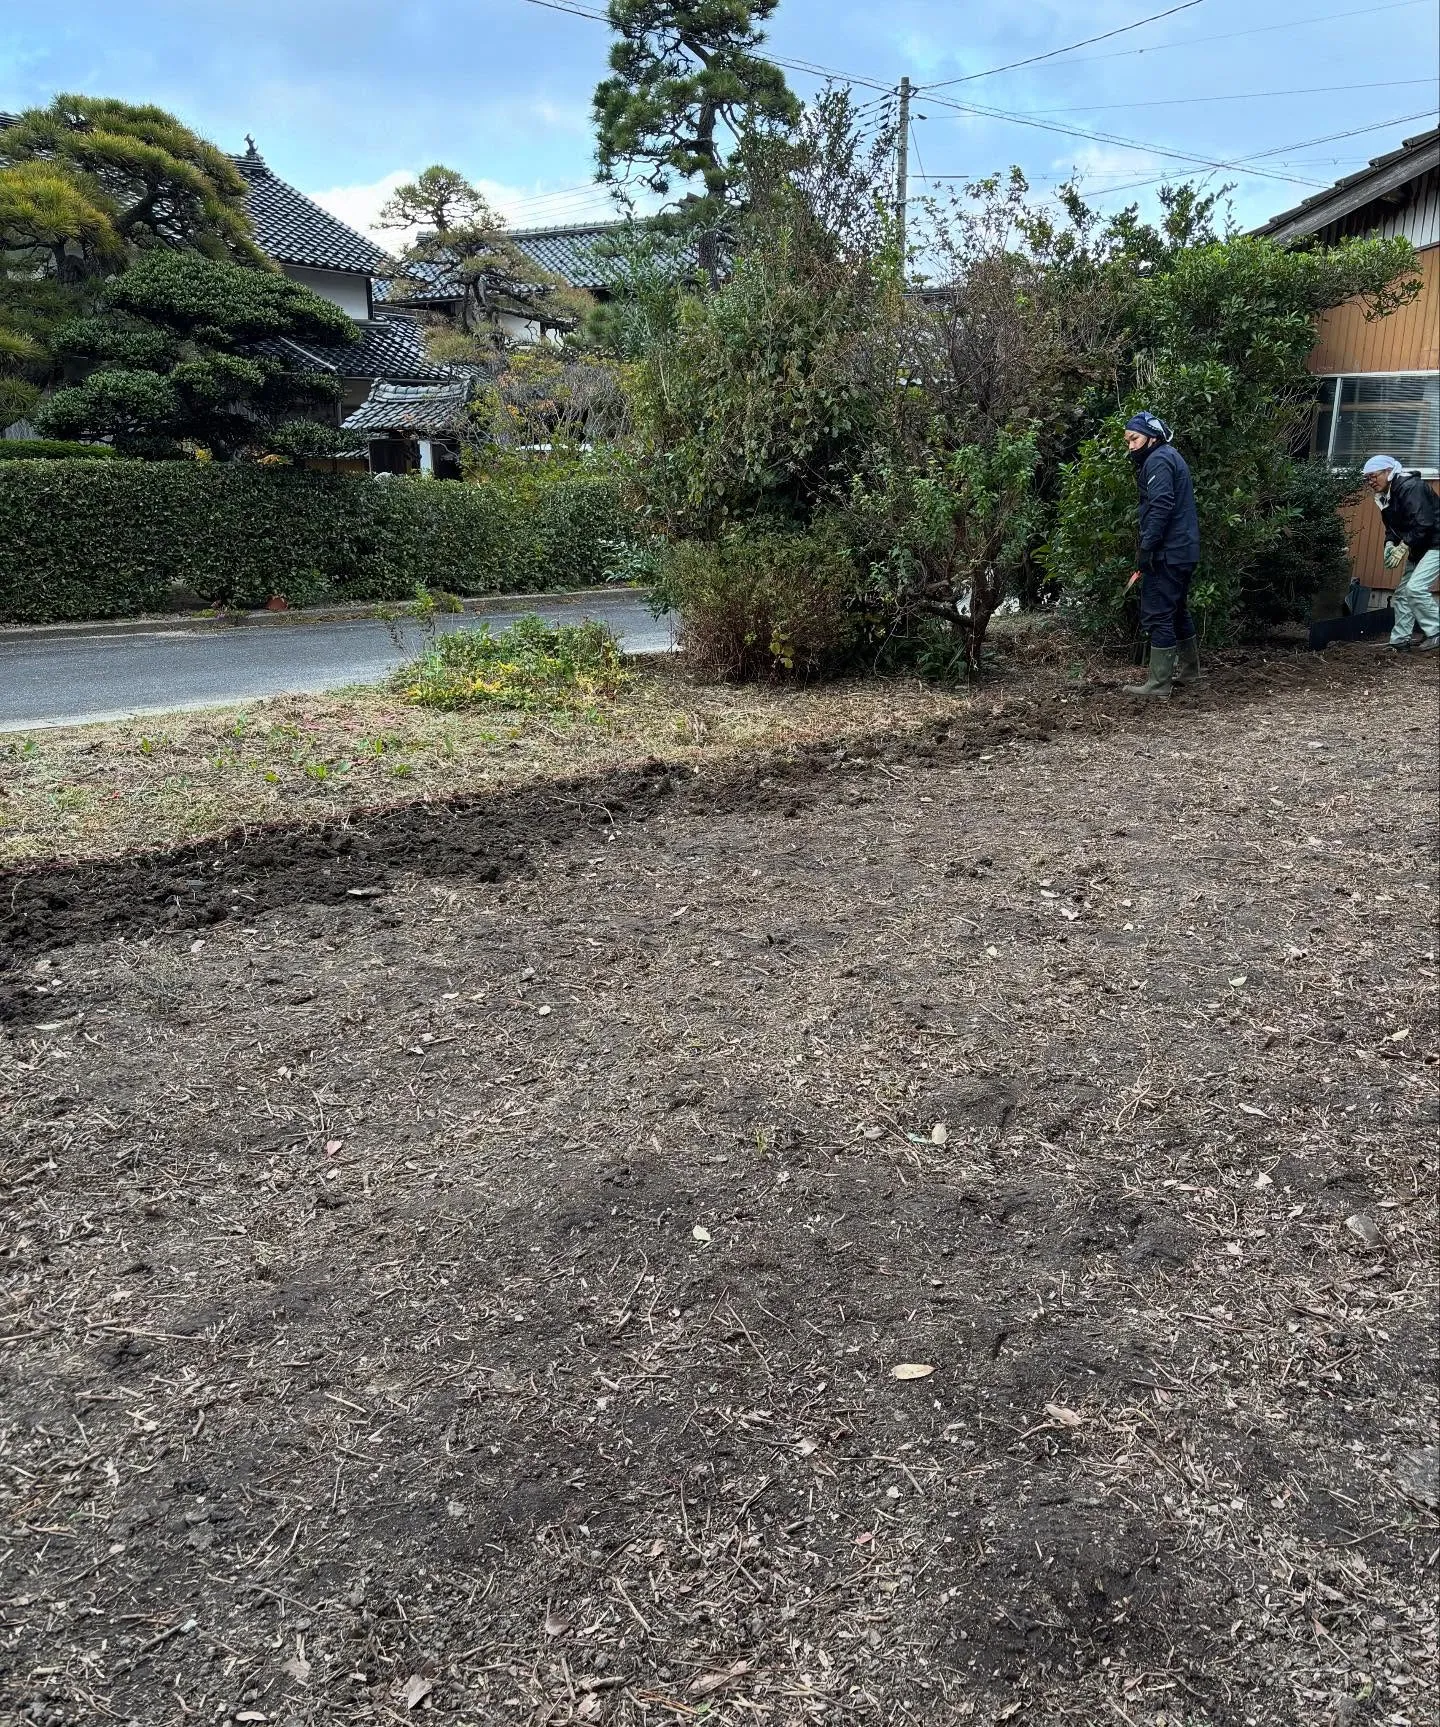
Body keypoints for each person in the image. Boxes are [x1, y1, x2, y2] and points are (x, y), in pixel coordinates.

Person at [1121, 411, 1201, 699]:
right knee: (1178, 610)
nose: (1130, 445)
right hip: (1184, 551)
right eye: (1128, 440)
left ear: (1152, 437)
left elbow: (1161, 506)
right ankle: (1190, 673)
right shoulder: (1170, 455)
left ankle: (1158, 684)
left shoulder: (1158, 460)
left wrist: (1147, 549)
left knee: (1158, 613)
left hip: (1168, 553)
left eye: (1134, 438)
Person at [1361, 454, 1440, 651]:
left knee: (1414, 588)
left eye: (1373, 476)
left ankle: (1437, 631)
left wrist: (1403, 547)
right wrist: (1389, 544)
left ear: (1389, 472)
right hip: (1420, 544)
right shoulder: (1386, 495)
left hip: (1436, 543)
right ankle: (1399, 642)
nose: (1370, 482)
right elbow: (1392, 528)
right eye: (1367, 478)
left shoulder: (1410, 487)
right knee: (1403, 594)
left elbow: (1424, 522)